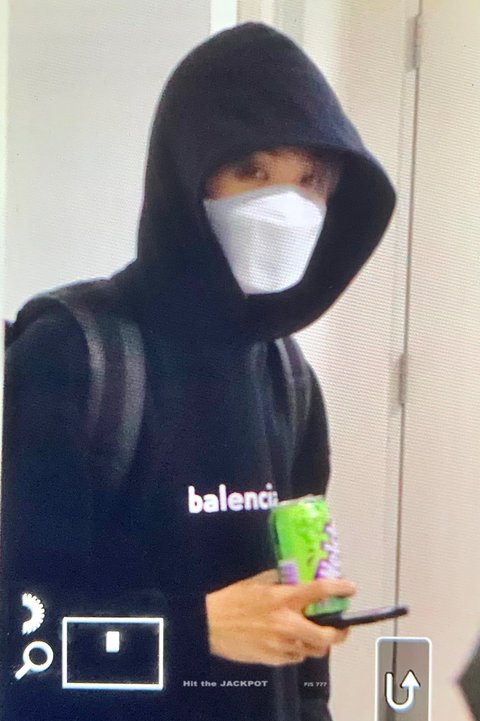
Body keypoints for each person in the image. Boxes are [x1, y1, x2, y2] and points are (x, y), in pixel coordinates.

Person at [0, 21, 395, 721]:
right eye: (253, 171)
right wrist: (196, 629)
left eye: (310, 180)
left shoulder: (289, 377)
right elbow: (18, 635)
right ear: (187, 173)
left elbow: (303, 633)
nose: (286, 207)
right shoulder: (72, 355)